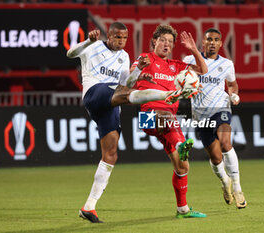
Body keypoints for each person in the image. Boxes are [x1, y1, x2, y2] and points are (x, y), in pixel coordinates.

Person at [67, 22, 190, 223]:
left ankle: (89, 206)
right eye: (117, 37)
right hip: (96, 93)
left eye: (124, 38)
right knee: (129, 97)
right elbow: (70, 54)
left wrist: (138, 73)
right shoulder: (94, 45)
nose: (121, 42)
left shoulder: (125, 56)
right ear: (109, 36)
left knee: (111, 154)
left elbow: (127, 83)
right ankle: (169, 95)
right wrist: (87, 41)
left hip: (114, 103)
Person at [130, 24, 208, 218]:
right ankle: (181, 143)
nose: (166, 44)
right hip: (148, 116)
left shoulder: (176, 66)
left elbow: (203, 70)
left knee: (183, 166)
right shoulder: (145, 58)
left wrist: (193, 50)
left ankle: (182, 209)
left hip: (167, 120)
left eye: (170, 42)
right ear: (154, 41)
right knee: (167, 117)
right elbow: (129, 77)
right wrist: (140, 72)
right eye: (163, 40)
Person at [183, 28, 247, 209]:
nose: (212, 42)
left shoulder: (227, 64)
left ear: (220, 44)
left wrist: (233, 94)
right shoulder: (189, 61)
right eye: (209, 39)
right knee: (216, 157)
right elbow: (180, 79)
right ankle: (225, 182)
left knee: (226, 142)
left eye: (216, 40)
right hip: (200, 115)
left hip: (221, 108)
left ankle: (237, 187)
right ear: (203, 42)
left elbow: (233, 84)